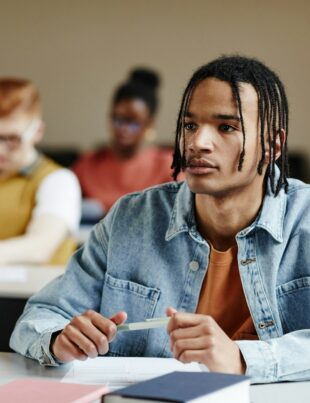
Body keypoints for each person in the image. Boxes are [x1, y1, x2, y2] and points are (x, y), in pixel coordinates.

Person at [10, 56, 310, 384]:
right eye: (190, 125)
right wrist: (58, 340)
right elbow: (37, 319)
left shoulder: (304, 219)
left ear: (273, 145)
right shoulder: (130, 218)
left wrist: (242, 358)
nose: (196, 143)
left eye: (226, 127)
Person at [72, 68, 181, 213]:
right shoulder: (89, 164)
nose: (124, 129)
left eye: (134, 123)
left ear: (149, 124)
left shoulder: (168, 166)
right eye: (119, 120)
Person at [0, 78, 81, 265]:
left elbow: (40, 247)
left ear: (37, 132)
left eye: (12, 139)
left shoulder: (58, 181)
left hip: (33, 293)